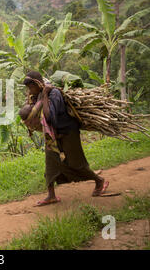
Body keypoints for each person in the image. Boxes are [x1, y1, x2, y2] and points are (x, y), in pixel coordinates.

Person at [20, 70, 109, 207]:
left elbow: (51, 118)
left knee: (76, 163)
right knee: (50, 164)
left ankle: (99, 180)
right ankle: (51, 196)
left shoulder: (54, 93)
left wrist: (44, 95)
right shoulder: (37, 96)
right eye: (29, 88)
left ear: (39, 84)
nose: (30, 91)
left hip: (68, 131)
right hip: (51, 135)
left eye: (32, 87)